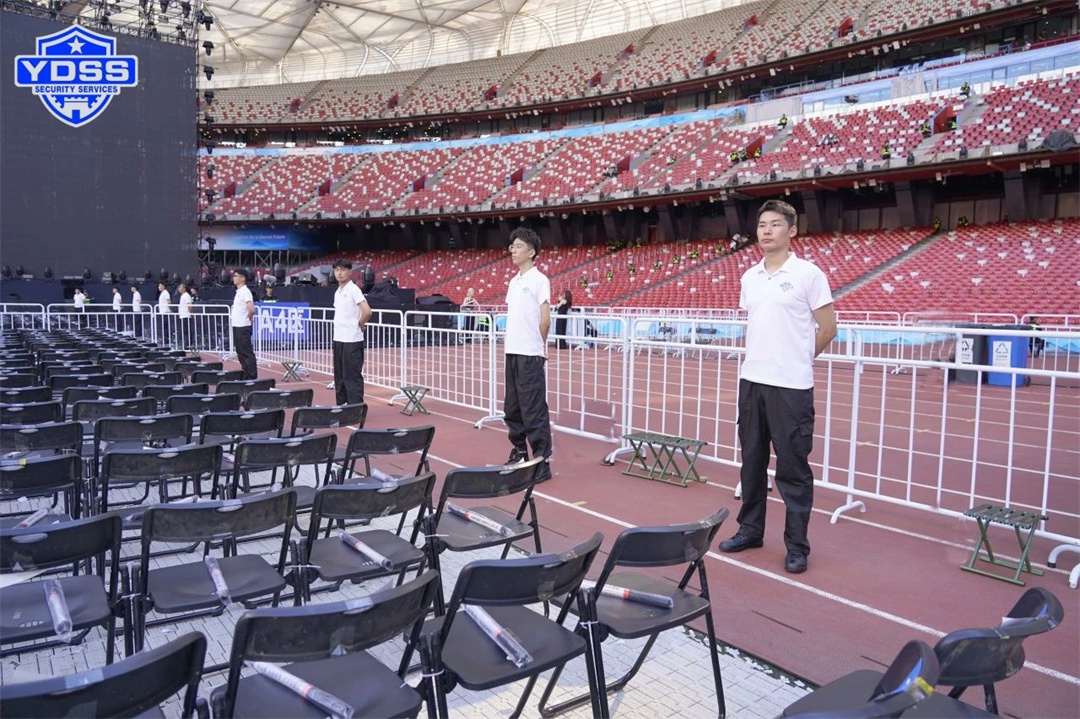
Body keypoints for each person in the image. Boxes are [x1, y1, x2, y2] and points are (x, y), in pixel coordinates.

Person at [719, 200, 837, 575]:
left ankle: (797, 545)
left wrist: (800, 359)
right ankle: (750, 530)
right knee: (751, 463)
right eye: (762, 225)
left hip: (791, 387)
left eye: (775, 224)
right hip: (753, 381)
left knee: (793, 469)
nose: (767, 231)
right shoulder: (749, 277)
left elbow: (828, 328)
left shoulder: (808, 274)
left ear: (792, 231)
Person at [503, 227, 552, 483]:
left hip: (529, 354)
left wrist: (538, 345)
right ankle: (520, 452)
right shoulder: (514, 282)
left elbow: (545, 319)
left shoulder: (539, 280)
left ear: (531, 252)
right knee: (512, 407)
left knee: (533, 408)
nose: (513, 250)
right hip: (512, 351)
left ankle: (542, 461)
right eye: (512, 246)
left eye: (519, 246)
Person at [331, 259, 372, 405]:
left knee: (352, 377)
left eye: (343, 270)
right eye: (337, 270)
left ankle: (356, 409)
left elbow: (367, 311)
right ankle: (342, 407)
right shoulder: (337, 292)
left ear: (349, 272)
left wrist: (360, 323)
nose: (339, 273)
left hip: (352, 340)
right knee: (340, 376)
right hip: (339, 339)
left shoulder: (353, 289)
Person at [231, 269, 257, 379]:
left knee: (246, 352)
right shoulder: (239, 292)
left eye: (236, 276)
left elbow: (251, 309)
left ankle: (251, 376)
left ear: (243, 278)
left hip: (243, 326)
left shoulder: (245, 291)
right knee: (240, 352)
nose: (234, 278)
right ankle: (245, 373)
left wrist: (248, 319)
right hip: (237, 325)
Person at [177, 283, 193, 350]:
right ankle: (186, 344)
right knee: (184, 331)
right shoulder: (183, 296)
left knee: (187, 331)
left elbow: (189, 305)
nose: (179, 289)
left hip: (186, 315)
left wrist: (191, 313)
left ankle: (188, 344)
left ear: (184, 289)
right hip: (183, 315)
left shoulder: (186, 296)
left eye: (180, 287)